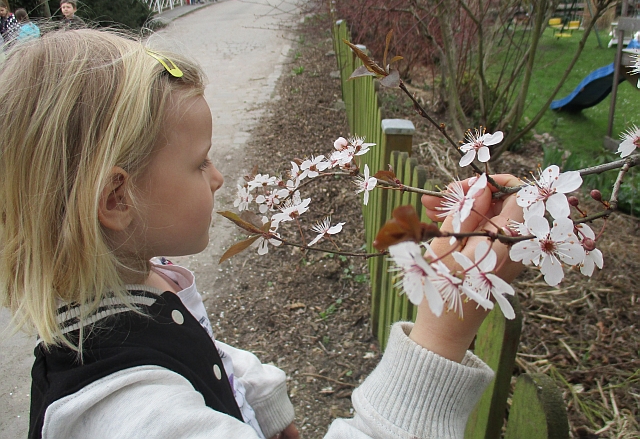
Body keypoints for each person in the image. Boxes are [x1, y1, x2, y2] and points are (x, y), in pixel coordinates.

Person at [0, 28, 525, 439]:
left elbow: (197, 342)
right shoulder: (130, 415)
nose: (217, 177)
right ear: (118, 199)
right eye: (200, 162)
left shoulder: (132, 282)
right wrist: (440, 339)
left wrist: (259, 398)